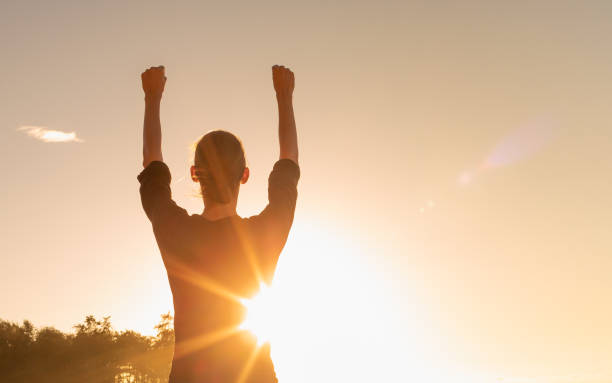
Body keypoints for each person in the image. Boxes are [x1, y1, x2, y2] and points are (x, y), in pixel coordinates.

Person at [137, 64, 299, 383]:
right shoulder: (265, 233)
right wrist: (284, 95)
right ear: (245, 174)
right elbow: (289, 160)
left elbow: (151, 160)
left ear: (195, 173)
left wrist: (152, 97)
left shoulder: (174, 229)